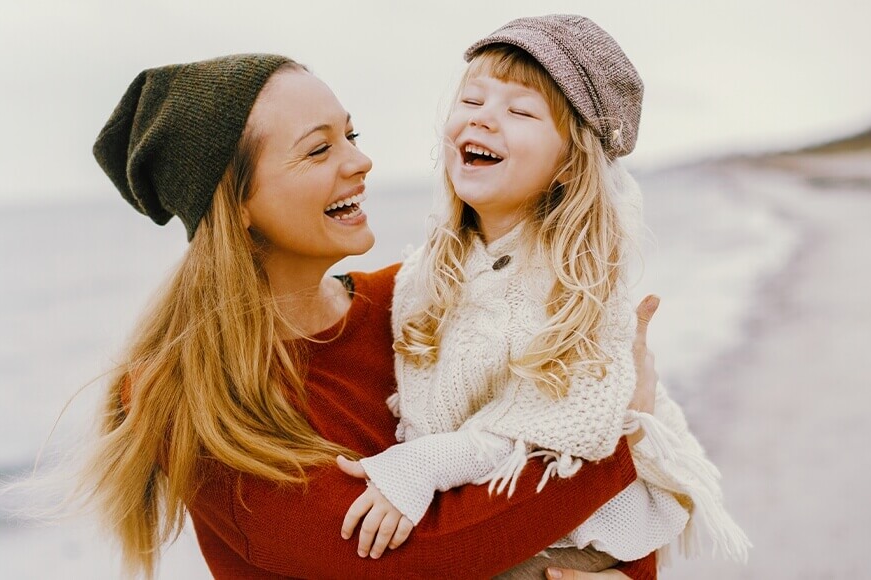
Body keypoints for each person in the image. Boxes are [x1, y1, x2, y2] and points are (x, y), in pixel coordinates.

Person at [78, 53, 661, 579]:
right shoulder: (183, 396)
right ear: (236, 202)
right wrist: (621, 433)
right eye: (319, 148)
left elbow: (560, 476)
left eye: (351, 134)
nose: (361, 161)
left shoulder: (415, 302)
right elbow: (405, 557)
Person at [334, 15, 750, 576]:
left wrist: (418, 466)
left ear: (568, 164)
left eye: (521, 111)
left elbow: (539, 438)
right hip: (482, 509)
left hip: (565, 534)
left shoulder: (580, 291)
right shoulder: (426, 273)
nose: (484, 117)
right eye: (472, 99)